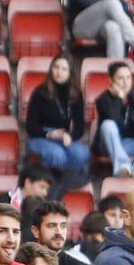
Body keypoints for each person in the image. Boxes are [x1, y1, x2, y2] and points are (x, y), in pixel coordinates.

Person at [24, 56, 91, 191]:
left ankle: (64, 183)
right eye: (56, 68)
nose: (59, 72)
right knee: (57, 154)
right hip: (40, 136)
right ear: (51, 70)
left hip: (63, 135)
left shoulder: (75, 94)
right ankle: (52, 184)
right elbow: (30, 126)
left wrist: (70, 136)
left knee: (81, 153)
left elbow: (79, 128)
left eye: (63, 69)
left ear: (70, 73)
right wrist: (49, 134)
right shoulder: (40, 92)